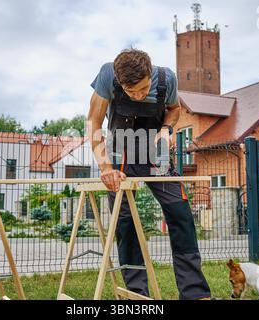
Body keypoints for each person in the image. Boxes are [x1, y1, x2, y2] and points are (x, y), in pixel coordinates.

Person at [87, 48, 211, 300]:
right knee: (126, 223)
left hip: (157, 155)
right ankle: (137, 294)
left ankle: (195, 294)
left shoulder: (167, 79)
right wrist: (105, 168)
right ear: (119, 81)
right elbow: (93, 122)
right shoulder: (106, 74)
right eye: (131, 92)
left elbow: (174, 109)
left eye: (143, 89)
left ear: (150, 73)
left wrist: (166, 129)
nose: (138, 96)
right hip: (120, 156)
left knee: (181, 215)